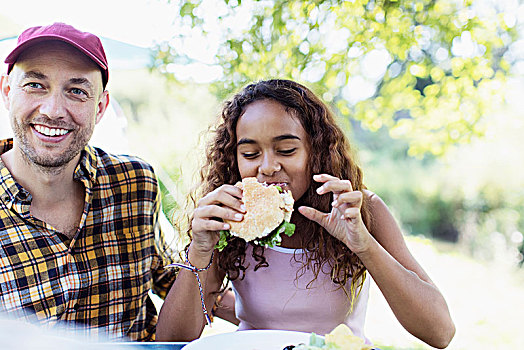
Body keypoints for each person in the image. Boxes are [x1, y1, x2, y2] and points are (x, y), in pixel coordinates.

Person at [156, 79, 456, 348]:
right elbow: (172, 342)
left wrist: (363, 243)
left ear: (317, 151)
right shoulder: (229, 218)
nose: (268, 167)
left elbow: (439, 332)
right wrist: (199, 250)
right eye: (250, 154)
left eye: (286, 150)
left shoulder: (362, 209)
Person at [0, 23, 177, 341]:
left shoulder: (136, 184)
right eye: (35, 85)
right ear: (7, 91)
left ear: (100, 108)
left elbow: (169, 278)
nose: (53, 111)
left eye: (77, 91)